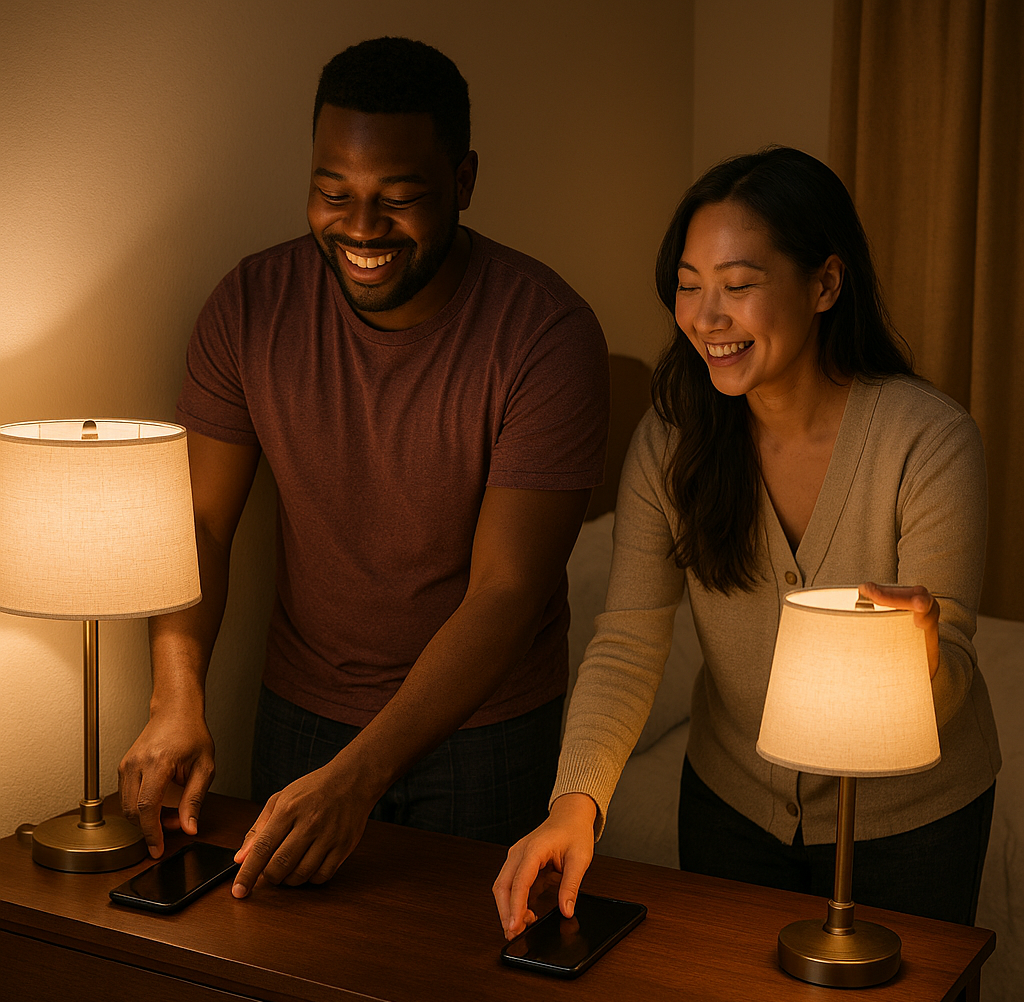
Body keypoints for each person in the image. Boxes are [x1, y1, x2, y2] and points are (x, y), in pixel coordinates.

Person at [118, 36, 609, 899]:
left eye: (399, 197)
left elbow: (506, 592)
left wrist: (363, 774)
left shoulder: (546, 334)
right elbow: (198, 525)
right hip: (304, 710)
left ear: (463, 180)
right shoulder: (249, 306)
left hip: (483, 726)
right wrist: (175, 695)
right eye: (332, 192)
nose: (360, 227)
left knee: (460, 979)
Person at [494, 146, 1001, 938]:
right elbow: (628, 638)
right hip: (731, 807)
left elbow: (957, 668)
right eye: (689, 288)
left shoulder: (928, 440)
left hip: (912, 821)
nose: (706, 317)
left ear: (826, 284)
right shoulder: (672, 440)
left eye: (739, 286)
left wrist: (924, 647)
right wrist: (577, 800)